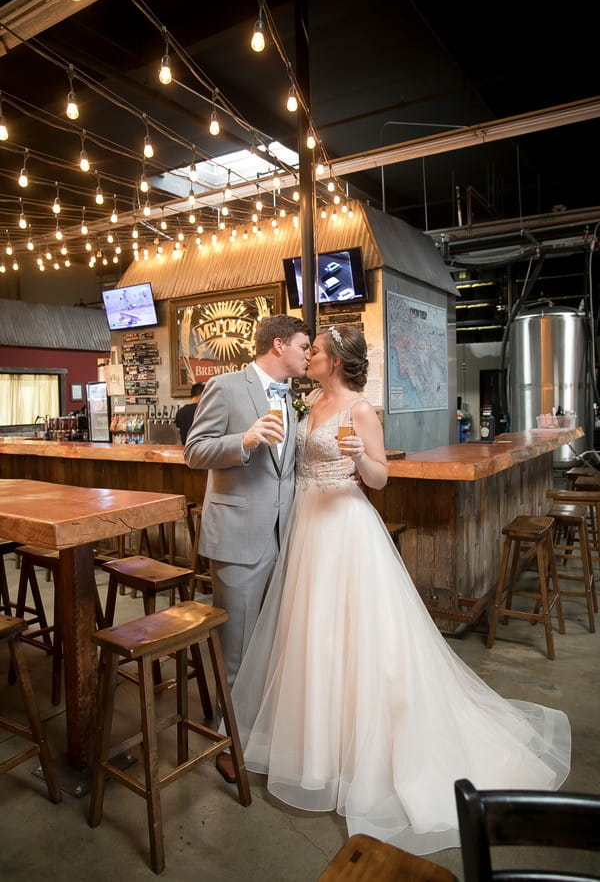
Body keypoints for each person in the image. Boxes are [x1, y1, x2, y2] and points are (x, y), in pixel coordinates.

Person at [230, 324, 571, 855]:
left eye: (315, 351)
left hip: (345, 528)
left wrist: (358, 459)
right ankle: (319, 752)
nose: (309, 356)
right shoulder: (310, 403)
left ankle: (364, 756)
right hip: (308, 531)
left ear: (336, 361)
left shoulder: (360, 410)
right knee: (313, 638)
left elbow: (381, 477)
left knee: (360, 642)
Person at [184, 313, 311, 691]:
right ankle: (231, 740)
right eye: (304, 347)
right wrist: (243, 440)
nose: (309, 354)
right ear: (279, 345)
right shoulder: (225, 386)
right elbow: (194, 451)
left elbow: (285, 468)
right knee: (237, 648)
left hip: (283, 536)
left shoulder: (293, 398)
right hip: (238, 540)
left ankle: (258, 730)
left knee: (269, 645)